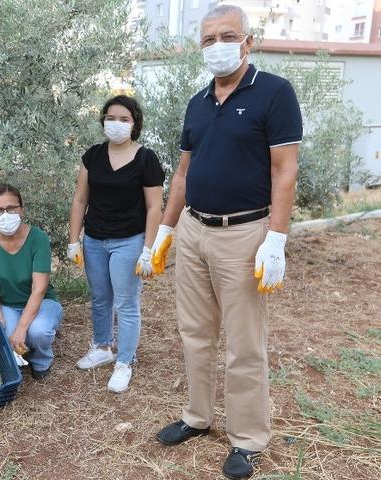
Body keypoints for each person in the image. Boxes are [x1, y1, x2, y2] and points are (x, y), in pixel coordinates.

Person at [150, 6, 302, 479]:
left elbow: (285, 169)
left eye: (227, 35)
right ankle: (198, 416)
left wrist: (275, 238)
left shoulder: (274, 92)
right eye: (208, 39)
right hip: (194, 231)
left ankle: (248, 438)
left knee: (243, 344)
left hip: (244, 233)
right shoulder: (198, 102)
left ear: (248, 41)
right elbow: (182, 173)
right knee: (194, 334)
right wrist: (166, 231)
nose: (217, 45)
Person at [67, 95, 165, 393]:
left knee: (126, 302)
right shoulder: (93, 156)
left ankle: (124, 362)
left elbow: (154, 208)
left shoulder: (146, 159)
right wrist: (74, 240)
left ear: (135, 124)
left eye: (124, 119)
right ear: (103, 121)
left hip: (129, 241)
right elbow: (80, 198)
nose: (116, 123)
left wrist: (149, 249)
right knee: (99, 297)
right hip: (95, 239)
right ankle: (102, 347)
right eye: (111, 118)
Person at [0, 183, 63, 380]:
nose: (5, 214)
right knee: (2, 331)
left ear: (21, 209)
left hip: (41, 302)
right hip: (5, 304)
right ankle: (18, 353)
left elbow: (39, 289)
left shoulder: (38, 238)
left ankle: (41, 360)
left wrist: (21, 328)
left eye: (11, 208)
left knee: (38, 332)